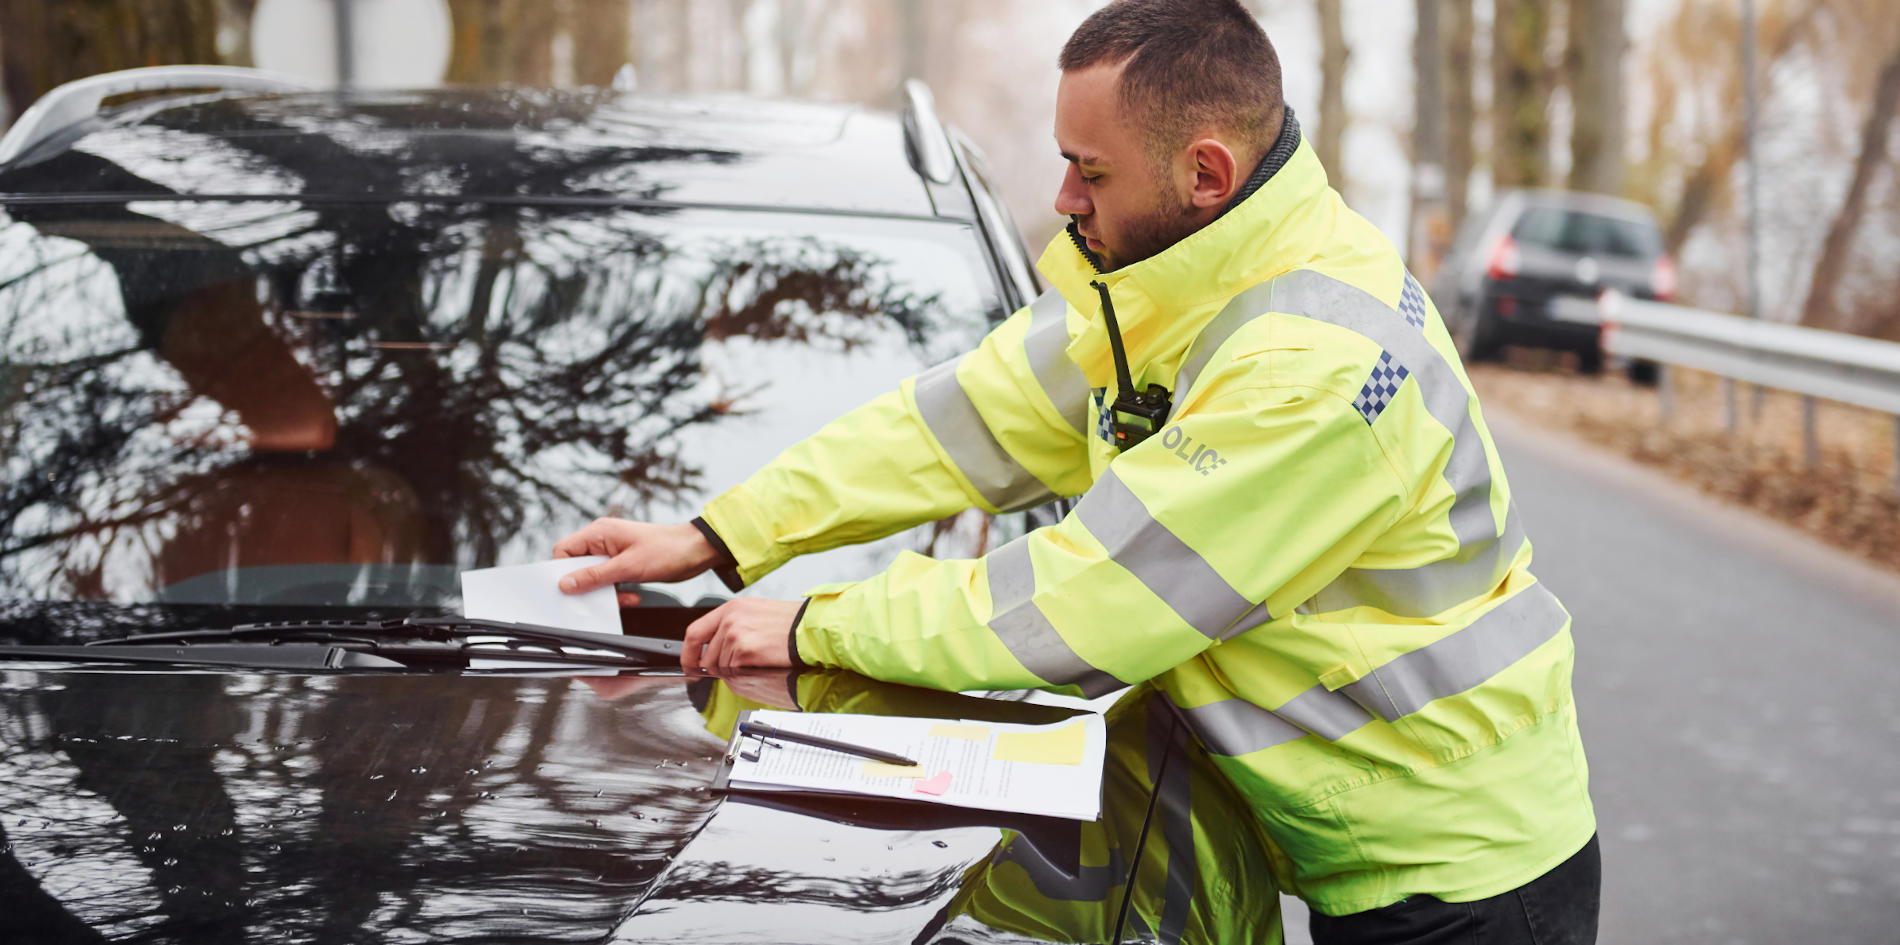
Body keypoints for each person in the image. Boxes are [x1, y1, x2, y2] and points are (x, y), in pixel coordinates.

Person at [553, 0, 1599, 941]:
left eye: (1090, 172)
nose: (1062, 197)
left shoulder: (1309, 370)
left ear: (1206, 174)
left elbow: (1089, 600)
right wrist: (716, 534)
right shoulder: (1173, 284)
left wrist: (812, 625)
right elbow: (952, 425)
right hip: (1364, 842)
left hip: (1460, 870)